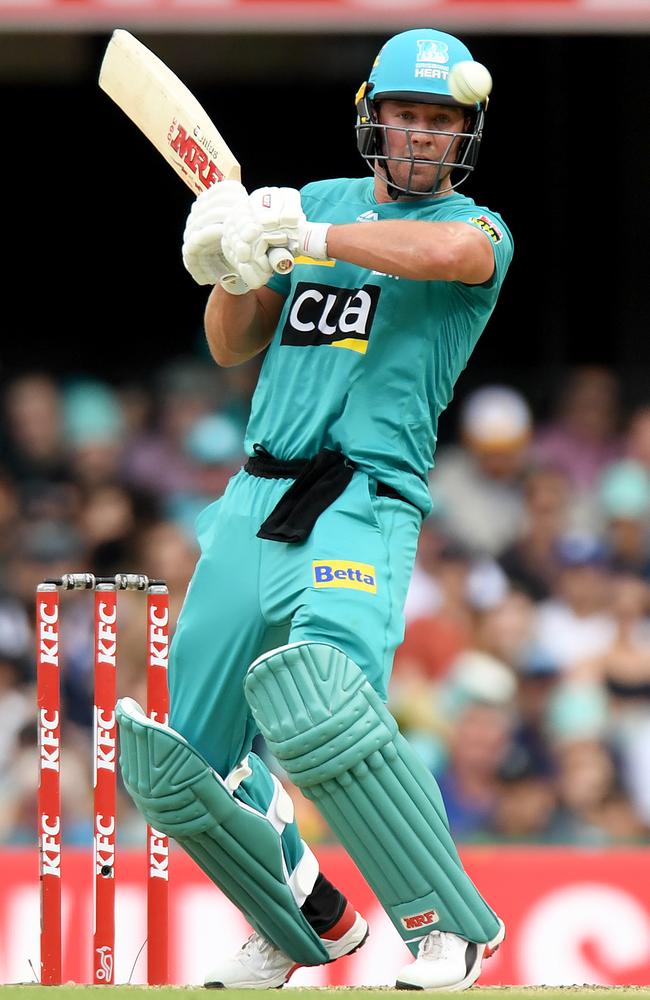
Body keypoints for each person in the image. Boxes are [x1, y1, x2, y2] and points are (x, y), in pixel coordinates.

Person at [116, 27, 513, 990]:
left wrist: (306, 233)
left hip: (362, 501)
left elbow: (447, 255)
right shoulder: (312, 204)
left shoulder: (479, 228)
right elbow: (230, 341)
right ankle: (308, 923)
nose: (421, 137)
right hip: (252, 501)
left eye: (440, 122)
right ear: (374, 119)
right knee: (178, 767)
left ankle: (445, 928)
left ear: (463, 133)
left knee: (322, 707)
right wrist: (228, 259)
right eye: (407, 117)